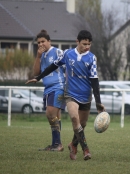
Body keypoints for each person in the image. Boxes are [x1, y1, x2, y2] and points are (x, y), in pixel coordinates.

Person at [26, 30, 105, 160]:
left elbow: (95, 81)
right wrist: (39, 77)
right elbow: (53, 66)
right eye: (84, 44)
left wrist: (98, 102)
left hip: (86, 95)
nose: (87, 47)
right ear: (77, 42)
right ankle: (86, 149)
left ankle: (73, 145)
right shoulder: (68, 54)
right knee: (74, 118)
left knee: (82, 124)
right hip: (71, 93)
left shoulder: (92, 58)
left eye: (89, 44)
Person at [33, 29, 66, 152]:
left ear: (49, 41)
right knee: (55, 116)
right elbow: (36, 73)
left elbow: (66, 69)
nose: (41, 44)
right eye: (38, 42)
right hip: (47, 89)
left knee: (50, 113)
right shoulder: (41, 56)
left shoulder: (57, 52)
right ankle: (56, 144)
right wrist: (38, 57)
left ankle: (58, 144)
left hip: (58, 87)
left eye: (43, 41)